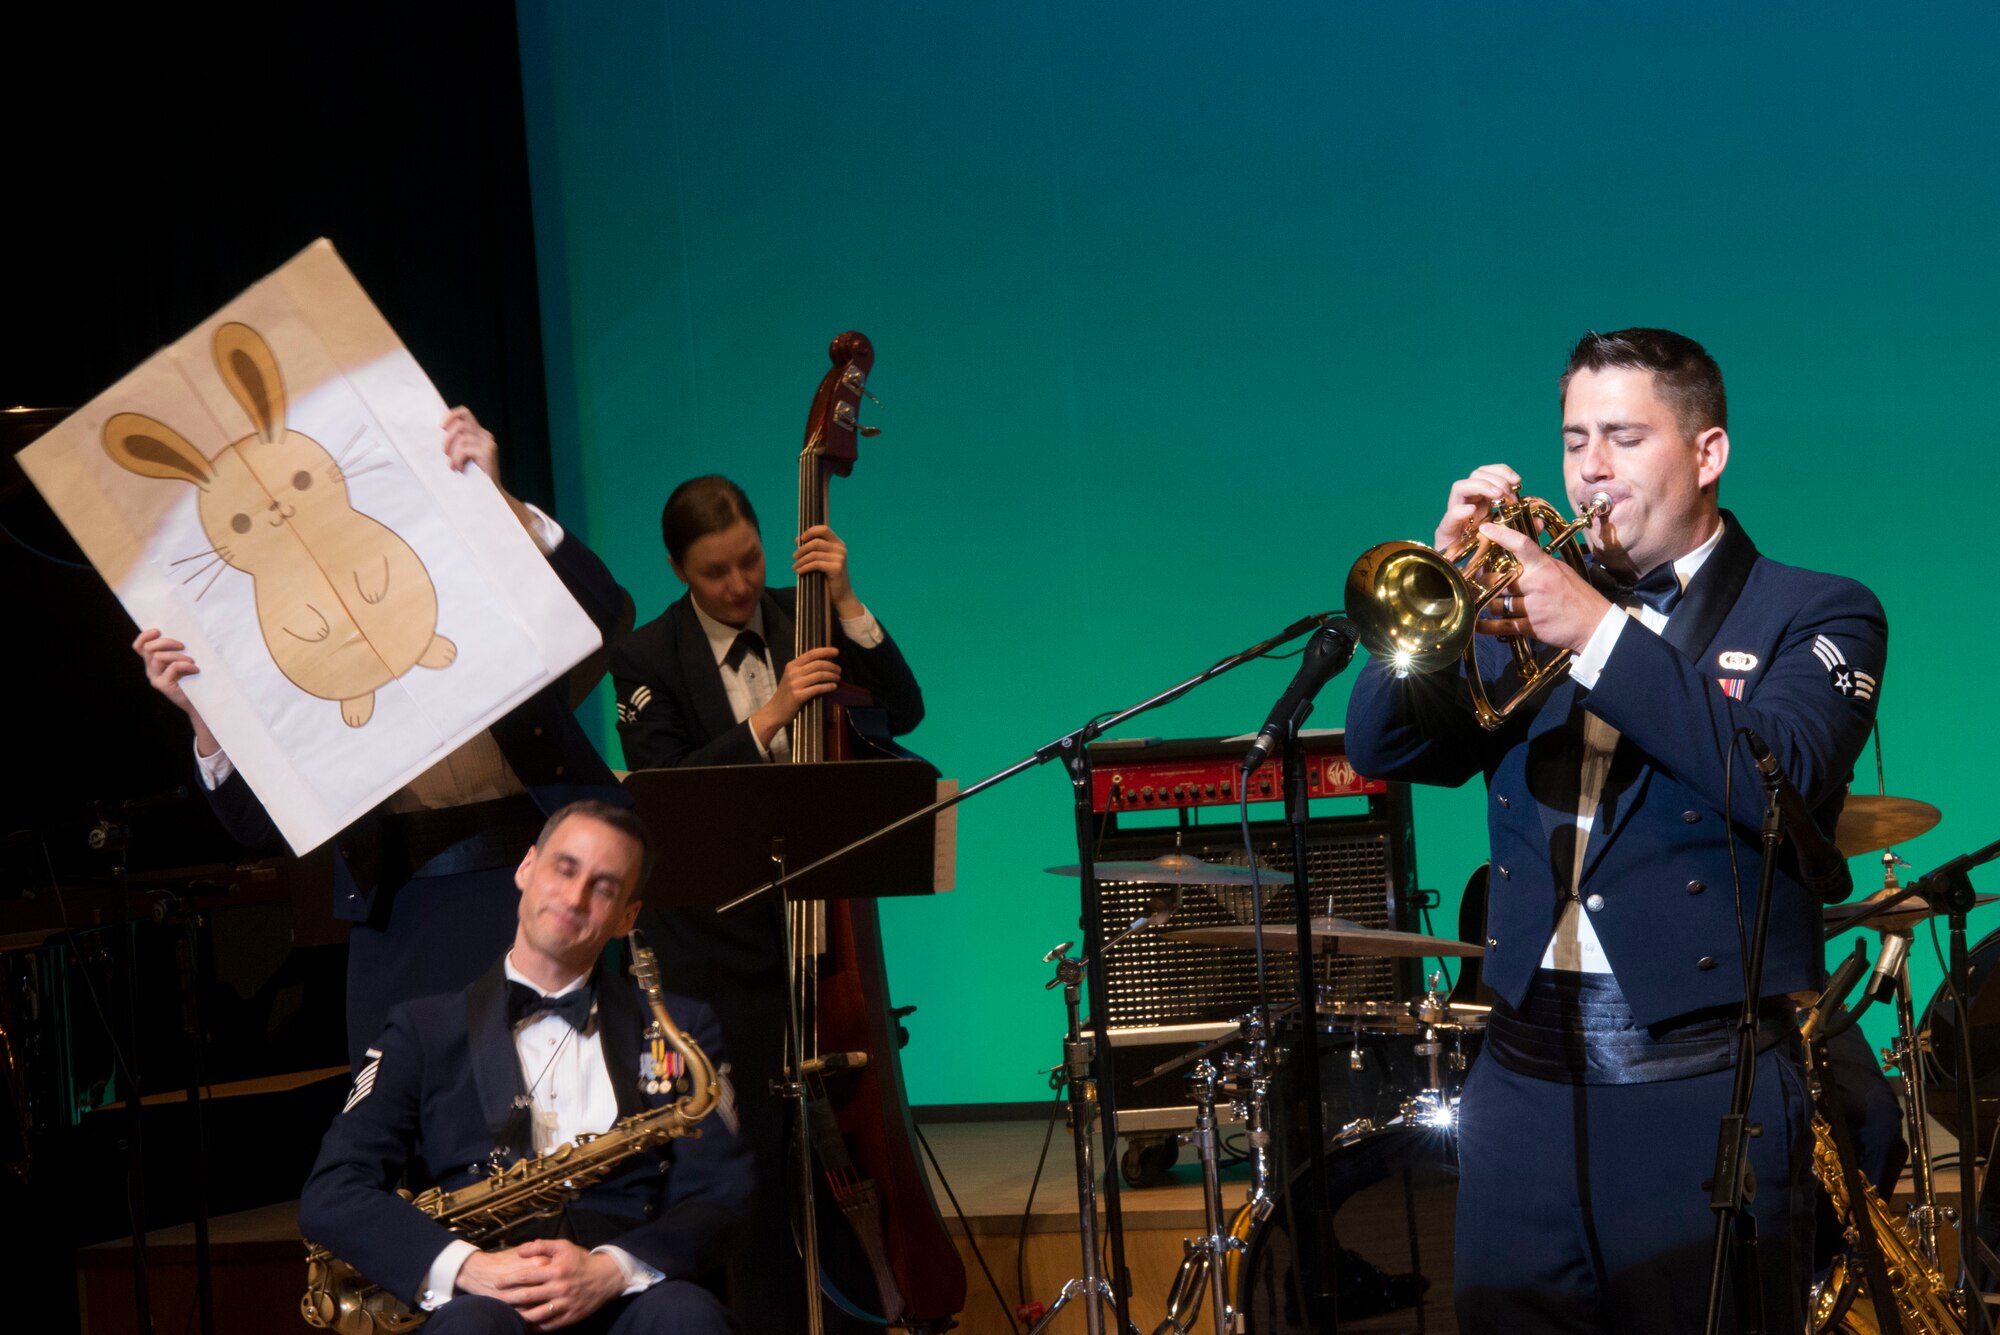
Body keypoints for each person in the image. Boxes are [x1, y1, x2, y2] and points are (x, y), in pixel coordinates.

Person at [1344, 328, 1886, 1332]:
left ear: (1706, 452)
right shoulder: (1520, 613)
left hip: (1696, 1094)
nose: (1589, 467)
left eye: (1623, 437)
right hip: (1517, 1091)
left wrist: (1596, 631)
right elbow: (1381, 750)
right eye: (1573, 438)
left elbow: (1783, 779)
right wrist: (1445, 586)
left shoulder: (1815, 613)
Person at [135, 407, 632, 1067]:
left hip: (535, 876)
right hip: (398, 906)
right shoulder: (269, 629)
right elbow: (254, 823)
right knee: (408, 1139)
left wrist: (501, 504)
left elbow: (604, 610)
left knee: (566, 1115)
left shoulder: (441, 533)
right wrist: (203, 711)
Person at [607, 475, 924, 1333]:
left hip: (817, 939)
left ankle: (862, 1312)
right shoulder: (643, 657)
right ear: (678, 569)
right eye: (716, 573)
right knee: (740, 1158)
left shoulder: (807, 616)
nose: (741, 586)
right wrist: (775, 710)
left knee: (840, 1148)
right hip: (711, 948)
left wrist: (849, 600)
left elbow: (905, 709)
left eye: (750, 561)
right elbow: (664, 793)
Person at [298, 799, 750, 1334]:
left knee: (686, 1318)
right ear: (526, 867)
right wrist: (469, 1268)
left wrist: (613, 1269)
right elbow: (332, 1192)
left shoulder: (680, 1028)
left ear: (628, 916)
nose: (575, 898)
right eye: (565, 868)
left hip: (630, 1294)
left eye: (604, 887)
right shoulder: (422, 1031)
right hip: (483, 1298)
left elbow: (723, 1194)